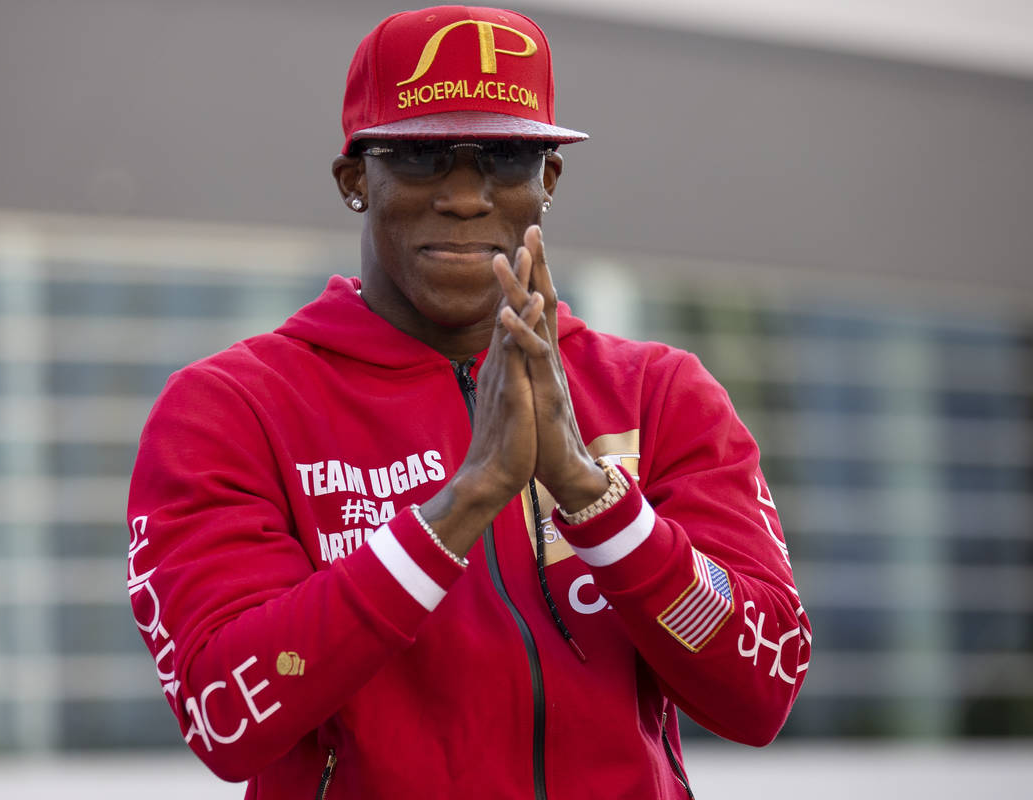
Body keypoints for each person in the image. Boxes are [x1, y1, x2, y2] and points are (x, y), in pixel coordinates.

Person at [126, 6, 811, 798]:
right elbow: (231, 717)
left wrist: (595, 499)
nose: (462, 195)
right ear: (355, 179)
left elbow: (760, 693)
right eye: (418, 158)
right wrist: (463, 503)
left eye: (505, 156)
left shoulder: (660, 393)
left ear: (547, 180)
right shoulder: (230, 407)